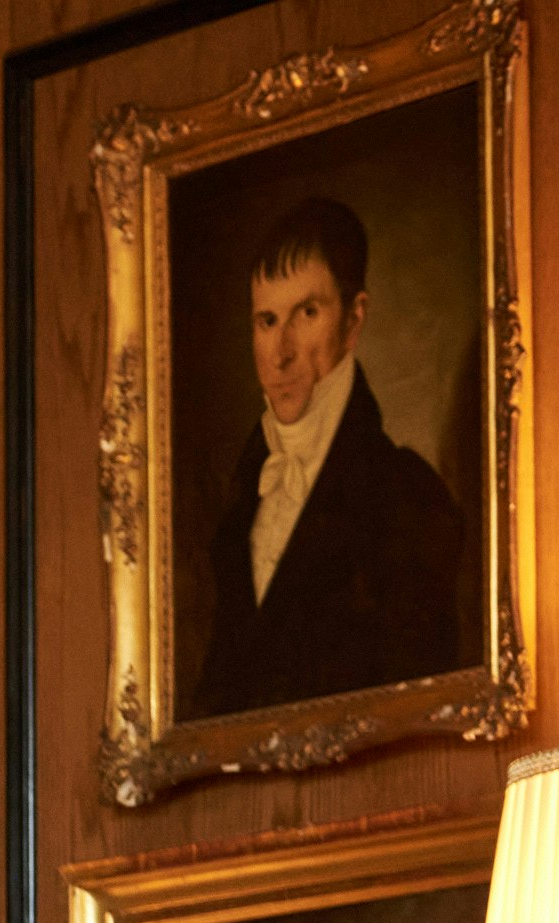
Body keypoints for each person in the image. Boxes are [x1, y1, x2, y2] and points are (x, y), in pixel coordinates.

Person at [188, 196, 468, 720]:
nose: (281, 351)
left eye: (307, 314)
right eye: (267, 321)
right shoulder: (233, 509)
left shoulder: (409, 498)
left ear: (354, 320)